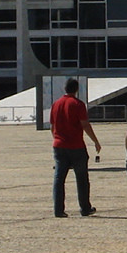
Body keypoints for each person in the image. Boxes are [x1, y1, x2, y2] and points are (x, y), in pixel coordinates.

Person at [49, 77, 101, 217]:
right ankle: (85, 207)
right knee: (82, 178)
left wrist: (57, 138)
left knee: (59, 178)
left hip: (59, 145)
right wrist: (95, 141)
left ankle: (58, 210)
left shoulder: (56, 104)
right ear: (77, 89)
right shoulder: (78, 104)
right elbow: (85, 124)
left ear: (64, 89)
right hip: (76, 145)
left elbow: (52, 126)